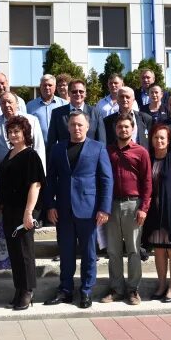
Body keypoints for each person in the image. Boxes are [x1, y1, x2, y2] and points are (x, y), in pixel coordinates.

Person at [44, 112, 113, 309]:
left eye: (80, 125)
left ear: (87, 126)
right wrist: (50, 205)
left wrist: (104, 208)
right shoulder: (58, 149)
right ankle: (65, 290)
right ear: (68, 127)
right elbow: (51, 179)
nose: (76, 128)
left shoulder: (98, 148)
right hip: (63, 210)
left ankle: (86, 291)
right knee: (66, 253)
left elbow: (106, 180)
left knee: (89, 253)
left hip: (89, 210)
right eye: (73, 125)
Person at [101, 114, 152, 306]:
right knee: (113, 251)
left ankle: (132, 290)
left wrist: (144, 208)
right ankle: (116, 289)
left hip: (134, 205)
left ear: (132, 129)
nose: (123, 130)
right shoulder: (107, 151)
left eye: (126, 127)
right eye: (120, 127)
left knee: (133, 250)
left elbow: (147, 182)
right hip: (112, 205)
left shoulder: (141, 152)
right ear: (115, 130)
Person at [0, 116, 45, 311]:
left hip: (23, 210)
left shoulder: (30, 155)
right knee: (14, 252)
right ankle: (18, 288)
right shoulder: (9, 154)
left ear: (25, 133)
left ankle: (28, 290)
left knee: (25, 252)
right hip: (8, 210)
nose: (13, 134)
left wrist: (29, 212)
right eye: (10, 131)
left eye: (17, 131)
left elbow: (35, 185)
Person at [142, 124, 171, 303]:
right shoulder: (149, 158)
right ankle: (161, 285)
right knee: (159, 251)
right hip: (154, 213)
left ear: (168, 140)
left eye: (162, 138)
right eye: (156, 137)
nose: (159, 141)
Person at [0, 91, 46, 170]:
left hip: (27, 169)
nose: (7, 105)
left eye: (10, 102)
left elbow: (39, 147)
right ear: (0, 105)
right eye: (3, 103)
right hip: (2, 171)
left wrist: (40, 173)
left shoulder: (32, 120)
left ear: (17, 104)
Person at [47, 79, 95, 150]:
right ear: (69, 93)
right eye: (74, 91)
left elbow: (101, 141)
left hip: (90, 158)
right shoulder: (57, 113)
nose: (78, 94)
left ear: (85, 93)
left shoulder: (95, 112)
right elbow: (51, 142)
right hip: (64, 157)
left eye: (81, 91)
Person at [26, 74, 68, 144]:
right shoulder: (30, 106)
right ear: (40, 86)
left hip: (58, 147)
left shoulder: (64, 104)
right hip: (37, 147)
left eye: (50, 85)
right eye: (44, 85)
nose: (47, 87)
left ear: (55, 87)